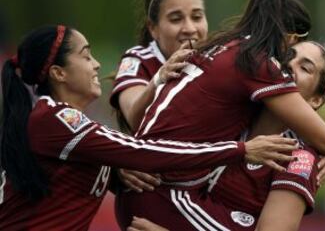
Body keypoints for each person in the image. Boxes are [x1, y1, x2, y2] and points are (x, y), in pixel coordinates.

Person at [0, 25, 297, 230]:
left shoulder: (63, 125)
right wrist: (242, 150)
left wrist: (115, 172)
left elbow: (92, 165)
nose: (96, 65)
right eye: (86, 55)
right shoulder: (56, 120)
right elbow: (143, 151)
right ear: (59, 73)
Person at [116, 0, 325, 229]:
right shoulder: (240, 99)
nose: (289, 65)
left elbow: (324, 140)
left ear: (317, 100)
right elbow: (136, 122)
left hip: (159, 199)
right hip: (154, 192)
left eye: (305, 68)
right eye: (289, 56)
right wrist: (123, 161)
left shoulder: (297, 155)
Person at [110, 0, 208, 133]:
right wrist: (158, 79)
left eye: (197, 17)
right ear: (153, 28)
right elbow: (135, 120)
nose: (190, 28)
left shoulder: (216, 58)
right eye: (176, 19)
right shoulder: (139, 59)